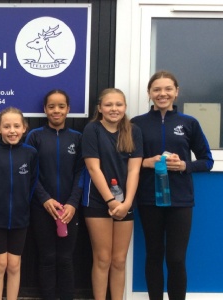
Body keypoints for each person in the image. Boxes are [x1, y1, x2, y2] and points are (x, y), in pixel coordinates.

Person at [131, 71, 213, 300]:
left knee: (176, 258)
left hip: (180, 200)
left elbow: (207, 160)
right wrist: (146, 162)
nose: (162, 93)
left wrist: (185, 166)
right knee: (154, 255)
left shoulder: (189, 123)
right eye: (156, 89)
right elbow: (124, 159)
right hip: (148, 198)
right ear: (149, 93)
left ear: (176, 92)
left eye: (168, 89)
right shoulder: (136, 124)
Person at [81, 88, 143, 300]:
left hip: (125, 203)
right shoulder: (93, 130)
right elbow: (93, 168)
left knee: (119, 260)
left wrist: (126, 203)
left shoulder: (133, 131)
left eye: (118, 104)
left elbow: (135, 169)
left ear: (125, 107)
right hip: (98, 202)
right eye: (108, 105)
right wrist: (110, 200)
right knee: (103, 259)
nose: (113, 109)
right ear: (100, 108)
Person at [26, 90, 84, 300]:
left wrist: (72, 203)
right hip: (43, 208)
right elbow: (30, 173)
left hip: (70, 210)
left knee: (66, 258)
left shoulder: (77, 138)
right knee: (48, 257)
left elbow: (82, 172)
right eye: (52, 106)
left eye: (61, 106)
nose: (56, 111)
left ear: (68, 109)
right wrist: (45, 199)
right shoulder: (35, 136)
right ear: (45, 109)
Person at [0, 107, 38, 300]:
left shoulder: (30, 153)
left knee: (14, 264)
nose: (12, 130)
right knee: (0, 264)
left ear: (24, 128)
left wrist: (22, 205)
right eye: (7, 126)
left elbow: (32, 184)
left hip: (21, 218)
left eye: (16, 126)